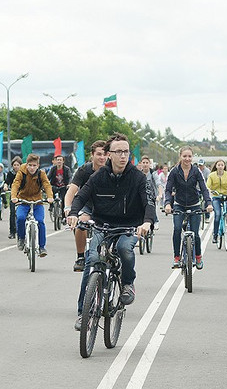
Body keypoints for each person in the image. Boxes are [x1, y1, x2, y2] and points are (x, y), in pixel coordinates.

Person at [67, 133, 153, 330]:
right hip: (102, 225)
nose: (123, 156)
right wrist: (73, 213)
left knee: (124, 248)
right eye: (118, 152)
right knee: (92, 263)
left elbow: (148, 202)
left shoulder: (138, 177)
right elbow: (81, 196)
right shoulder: (99, 176)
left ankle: (127, 283)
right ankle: (84, 314)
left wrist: (146, 222)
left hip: (129, 225)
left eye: (126, 151)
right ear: (109, 155)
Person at [164, 146, 212, 268]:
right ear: (180, 156)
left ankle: (198, 257)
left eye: (189, 156)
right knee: (177, 229)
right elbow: (168, 189)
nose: (187, 159)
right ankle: (176, 257)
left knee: (195, 234)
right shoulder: (174, 171)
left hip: (194, 204)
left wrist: (209, 203)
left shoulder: (196, 171)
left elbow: (204, 188)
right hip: (179, 205)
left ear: (192, 157)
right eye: (184, 156)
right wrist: (168, 204)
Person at [64, 140, 108, 271]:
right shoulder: (84, 170)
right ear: (92, 155)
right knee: (81, 224)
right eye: (99, 154)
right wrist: (67, 208)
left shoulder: (113, 169)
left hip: (108, 207)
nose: (102, 157)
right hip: (88, 206)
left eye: (105, 154)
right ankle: (80, 257)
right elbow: (72, 190)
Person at [11, 153, 54, 256]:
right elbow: (16, 184)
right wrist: (14, 196)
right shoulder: (21, 173)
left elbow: (47, 185)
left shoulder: (41, 174)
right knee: (20, 218)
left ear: (38, 166)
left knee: (40, 222)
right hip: (23, 201)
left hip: (37, 202)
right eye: (30, 165)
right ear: (27, 165)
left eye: (34, 165)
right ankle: (21, 238)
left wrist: (50, 197)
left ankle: (42, 247)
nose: (32, 167)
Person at [206, 160, 227, 242]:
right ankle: (215, 235)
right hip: (216, 197)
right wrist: (210, 191)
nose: (220, 166)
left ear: (224, 166)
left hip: (226, 196)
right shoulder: (211, 175)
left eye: (222, 165)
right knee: (217, 214)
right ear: (216, 166)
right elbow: (208, 186)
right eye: (219, 165)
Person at [138, 156, 161, 234]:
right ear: (141, 164)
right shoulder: (138, 174)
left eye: (147, 163)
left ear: (149, 164)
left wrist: (160, 194)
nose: (145, 164)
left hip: (152, 196)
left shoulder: (153, 174)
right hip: (141, 196)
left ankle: (155, 221)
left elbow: (159, 184)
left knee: (151, 209)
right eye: (143, 163)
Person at [5, 157, 22, 239]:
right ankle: (12, 232)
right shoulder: (10, 173)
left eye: (17, 165)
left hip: (23, 195)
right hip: (13, 195)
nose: (16, 166)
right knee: (12, 213)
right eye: (14, 165)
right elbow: (7, 182)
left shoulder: (24, 173)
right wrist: (5, 186)